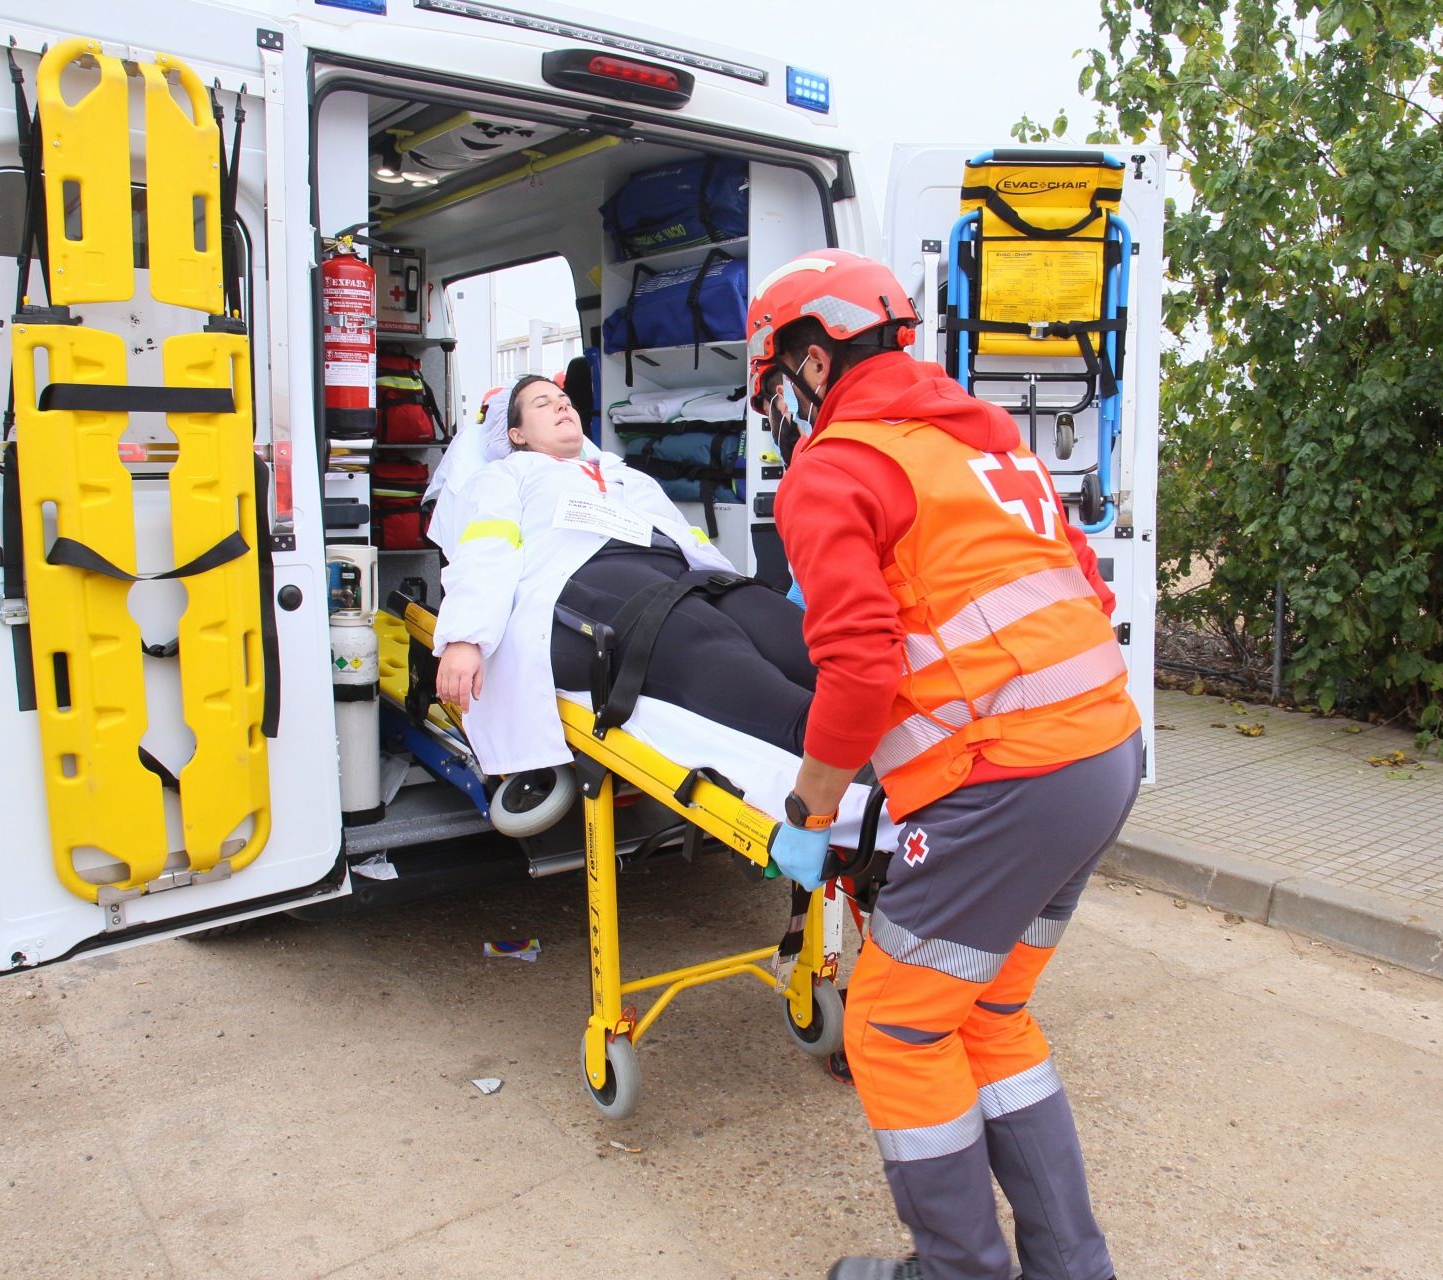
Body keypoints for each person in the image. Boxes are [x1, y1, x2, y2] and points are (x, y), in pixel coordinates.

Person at [751, 249, 1140, 1280]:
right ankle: (1071, 1265)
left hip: (1010, 780)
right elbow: (1085, 588)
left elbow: (860, 666)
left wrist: (810, 806)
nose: (781, 411)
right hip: (1103, 750)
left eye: (776, 385)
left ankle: (959, 1269)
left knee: (891, 1023)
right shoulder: (983, 442)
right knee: (989, 1011)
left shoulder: (834, 468)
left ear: (815, 360)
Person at [428, 374, 816, 773]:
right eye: (542, 404)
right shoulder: (506, 476)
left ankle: (874, 713)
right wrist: (465, 637)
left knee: (765, 612)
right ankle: (825, 744)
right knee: (692, 628)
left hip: (676, 570)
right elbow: (485, 550)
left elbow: (689, 540)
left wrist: (732, 582)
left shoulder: (623, 474)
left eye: (564, 399)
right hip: (581, 572)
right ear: (517, 434)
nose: (562, 406)